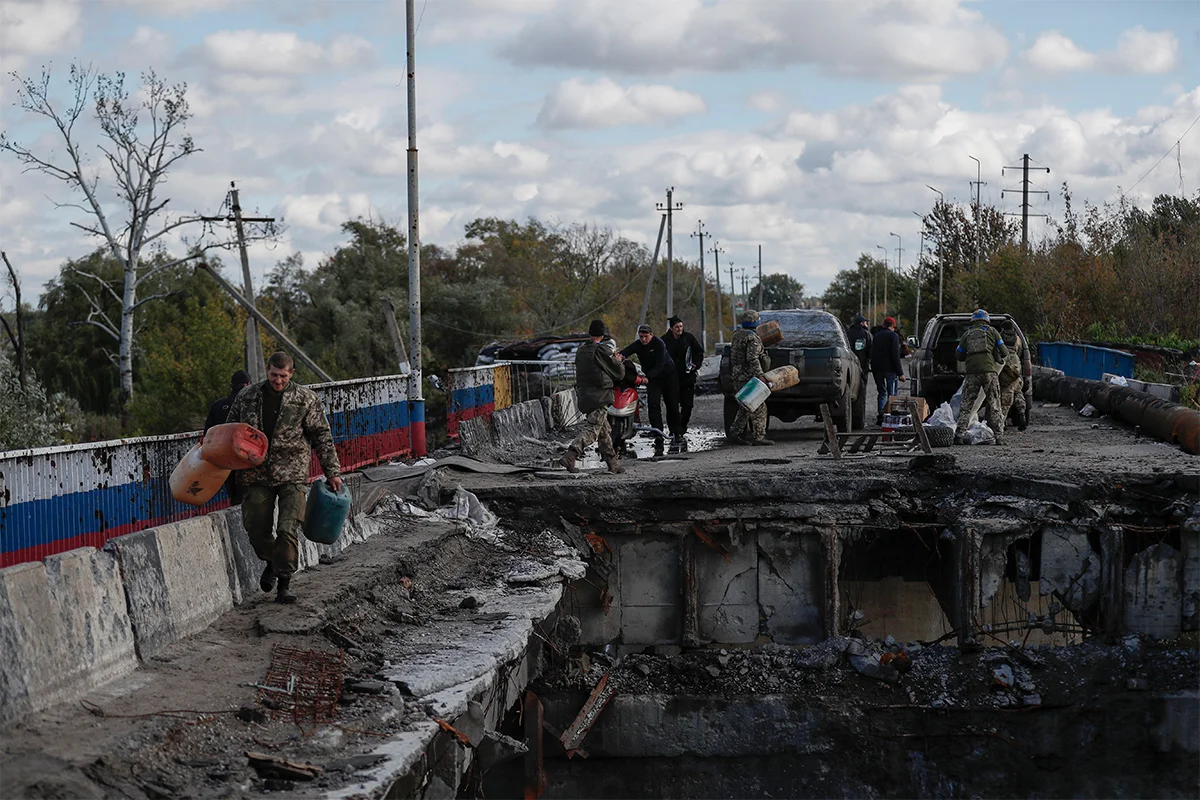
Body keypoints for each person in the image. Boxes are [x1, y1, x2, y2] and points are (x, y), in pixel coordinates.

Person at [226, 351, 342, 603]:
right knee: (255, 530)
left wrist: (332, 472)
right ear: (267, 371)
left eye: (282, 376)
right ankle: (272, 561)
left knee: (287, 528)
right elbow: (230, 432)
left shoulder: (305, 399)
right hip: (255, 475)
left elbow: (322, 436)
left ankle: (284, 585)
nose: (277, 380)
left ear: (291, 374)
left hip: (292, 474)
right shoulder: (247, 397)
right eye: (273, 375)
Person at [562, 320, 630, 474]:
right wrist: (619, 361)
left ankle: (613, 464)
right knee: (593, 429)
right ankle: (571, 454)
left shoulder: (581, 350)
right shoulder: (601, 350)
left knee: (604, 430)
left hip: (585, 396)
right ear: (602, 335)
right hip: (600, 396)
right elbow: (618, 373)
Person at [953, 309, 1009, 446]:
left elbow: (959, 355)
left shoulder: (967, 334)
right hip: (989, 372)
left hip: (972, 373)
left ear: (973, 321)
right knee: (994, 404)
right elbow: (1005, 352)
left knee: (967, 404)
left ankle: (959, 435)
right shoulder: (992, 332)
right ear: (987, 320)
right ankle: (999, 437)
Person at [621, 323, 680, 444]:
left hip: (667, 374)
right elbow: (625, 352)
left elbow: (660, 364)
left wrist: (648, 377)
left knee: (672, 404)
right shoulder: (638, 345)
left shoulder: (658, 343)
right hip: (653, 378)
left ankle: (675, 432)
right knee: (653, 404)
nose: (643, 339)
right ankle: (657, 431)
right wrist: (618, 356)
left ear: (651, 335)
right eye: (641, 336)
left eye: (646, 336)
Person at [204, 369, 252, 505]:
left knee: (234, 498)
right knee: (249, 498)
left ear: (231, 386)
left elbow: (207, 436)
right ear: (248, 384)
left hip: (225, 462)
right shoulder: (252, 405)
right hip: (247, 459)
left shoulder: (218, 406)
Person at [727, 309, 774, 446]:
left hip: (737, 375)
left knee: (746, 406)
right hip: (748, 376)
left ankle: (734, 433)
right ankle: (759, 437)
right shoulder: (752, 338)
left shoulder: (737, 334)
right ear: (756, 322)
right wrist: (761, 375)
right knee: (759, 406)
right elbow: (752, 358)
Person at [661, 315, 705, 443]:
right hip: (670, 378)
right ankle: (674, 430)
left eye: (681, 326)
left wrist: (695, 364)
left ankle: (682, 426)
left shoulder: (688, 338)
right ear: (671, 329)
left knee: (688, 405)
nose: (679, 329)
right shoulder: (664, 341)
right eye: (677, 327)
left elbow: (699, 352)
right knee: (672, 406)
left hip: (687, 377)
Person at [869, 316, 906, 426]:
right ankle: (890, 417)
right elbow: (895, 355)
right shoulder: (893, 336)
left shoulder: (876, 336)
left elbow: (873, 353)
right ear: (892, 327)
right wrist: (900, 373)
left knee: (882, 392)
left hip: (877, 369)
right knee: (892, 394)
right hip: (890, 369)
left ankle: (881, 416)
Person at [997, 319, 1028, 432]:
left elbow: (997, 351)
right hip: (1016, 366)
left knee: (1005, 394)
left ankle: (1002, 423)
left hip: (1006, 365)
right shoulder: (1017, 338)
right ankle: (1022, 414)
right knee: (1018, 391)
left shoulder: (1000, 337)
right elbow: (1020, 352)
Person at [846, 315, 872, 401]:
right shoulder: (866, 334)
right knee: (862, 387)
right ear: (861, 323)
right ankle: (860, 402)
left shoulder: (848, 333)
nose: (867, 324)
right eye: (865, 322)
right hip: (863, 364)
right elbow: (870, 350)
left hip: (849, 363)